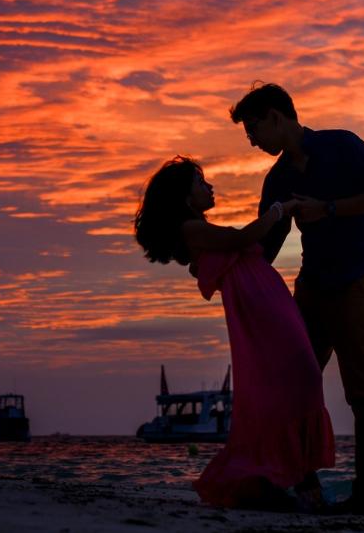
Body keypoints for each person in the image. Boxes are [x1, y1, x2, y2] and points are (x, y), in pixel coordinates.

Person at [230, 82, 364, 516]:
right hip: (310, 289)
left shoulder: (341, 145)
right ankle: (299, 482)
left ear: (275, 116)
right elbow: (268, 244)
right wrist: (230, 271)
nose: (251, 140)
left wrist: (327, 208)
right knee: (291, 383)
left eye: (253, 128)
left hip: (357, 280)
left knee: (362, 390)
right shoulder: (278, 179)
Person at [134, 156, 335, 511]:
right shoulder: (191, 229)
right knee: (299, 379)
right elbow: (244, 236)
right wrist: (279, 209)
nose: (209, 187)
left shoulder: (197, 229)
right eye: (200, 183)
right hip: (259, 307)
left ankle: (290, 482)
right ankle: (291, 483)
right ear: (184, 197)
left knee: (297, 381)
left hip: (266, 299)